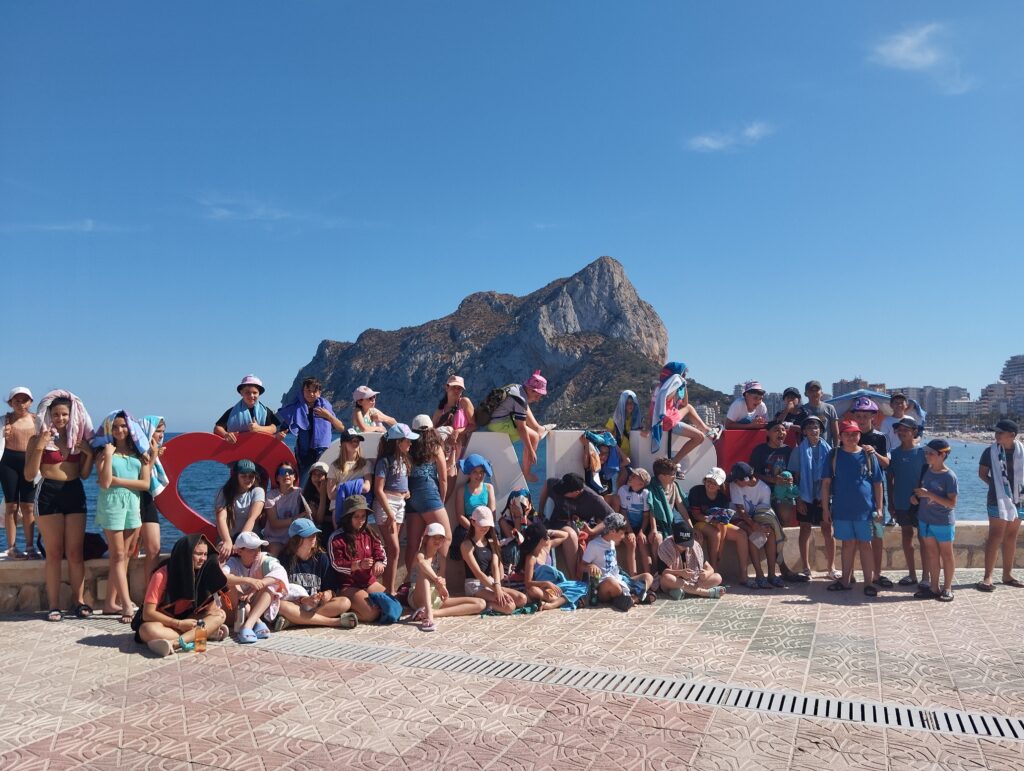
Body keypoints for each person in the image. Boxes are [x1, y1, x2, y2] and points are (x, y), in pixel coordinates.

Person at [24, 390, 95, 621]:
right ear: (48, 415)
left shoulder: (78, 439)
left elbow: (84, 475)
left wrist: (89, 455)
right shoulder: (38, 438)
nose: (60, 419)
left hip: (74, 491)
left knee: (75, 553)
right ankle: (53, 606)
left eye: (65, 414)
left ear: (72, 415)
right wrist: (40, 446)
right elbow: (28, 475)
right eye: (56, 414)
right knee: (54, 553)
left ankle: (79, 602)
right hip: (48, 493)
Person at [93, 411, 155, 623]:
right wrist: (109, 456)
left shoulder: (140, 454)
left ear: (130, 428)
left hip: (132, 505)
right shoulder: (104, 453)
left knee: (125, 555)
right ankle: (126, 605)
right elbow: (104, 482)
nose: (120, 430)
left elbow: (145, 484)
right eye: (116, 427)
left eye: (123, 426)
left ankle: (110, 603)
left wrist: (118, 481)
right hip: (112, 506)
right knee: (118, 554)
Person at [135, 534, 229, 657]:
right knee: (146, 630)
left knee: (220, 615)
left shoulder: (201, 573)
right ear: (185, 554)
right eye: (198, 554)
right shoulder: (161, 575)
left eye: (205, 554)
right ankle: (202, 634)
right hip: (164, 622)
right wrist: (178, 624)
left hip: (187, 619)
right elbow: (147, 614)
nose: (203, 559)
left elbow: (209, 609)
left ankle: (175, 643)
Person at [821, 420, 884, 596]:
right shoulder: (833, 455)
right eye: (847, 434)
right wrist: (825, 509)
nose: (851, 437)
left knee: (866, 545)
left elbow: (878, 483)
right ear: (840, 436)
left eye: (854, 434)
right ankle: (845, 580)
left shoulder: (869, 455)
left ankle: (868, 583)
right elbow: (826, 484)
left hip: (865, 510)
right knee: (847, 545)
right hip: (842, 509)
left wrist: (879, 508)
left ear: (859, 435)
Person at [276, 518, 358, 629]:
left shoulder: (321, 558)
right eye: (308, 535)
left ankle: (294, 621)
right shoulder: (284, 559)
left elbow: (331, 587)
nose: (313, 538)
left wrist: (328, 593)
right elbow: (281, 592)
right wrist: (303, 600)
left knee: (345, 602)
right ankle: (335, 622)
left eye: (314, 534)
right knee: (282, 606)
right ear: (296, 539)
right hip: (296, 605)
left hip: (317, 606)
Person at [410, 522, 486, 631]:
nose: (437, 540)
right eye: (434, 537)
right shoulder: (420, 554)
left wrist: (442, 586)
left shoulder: (441, 559)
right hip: (418, 597)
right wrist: (437, 581)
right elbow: (422, 563)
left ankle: (432, 613)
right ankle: (429, 616)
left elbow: (441, 579)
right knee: (424, 572)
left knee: (480, 603)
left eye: (440, 538)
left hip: (435, 596)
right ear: (426, 538)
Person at [849, 397, 893, 589]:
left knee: (877, 534)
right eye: (858, 416)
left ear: (873, 417)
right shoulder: (849, 436)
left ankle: (877, 573)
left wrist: (874, 453)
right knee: (853, 535)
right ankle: (850, 573)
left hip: (876, 495)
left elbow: (887, 464)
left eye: (865, 416)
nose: (861, 419)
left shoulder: (880, 437)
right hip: (855, 494)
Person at [646, 363, 720, 475]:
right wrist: (679, 384)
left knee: (688, 408)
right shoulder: (669, 387)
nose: (684, 377)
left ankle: (706, 429)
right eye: (683, 374)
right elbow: (677, 401)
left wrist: (682, 385)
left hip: (661, 421)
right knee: (699, 437)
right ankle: (674, 463)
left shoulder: (658, 387)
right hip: (668, 421)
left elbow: (684, 403)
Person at [537, 473, 614, 580]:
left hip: (582, 526)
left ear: (576, 492)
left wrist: (593, 531)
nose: (561, 493)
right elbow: (547, 484)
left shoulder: (593, 498)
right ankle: (573, 578)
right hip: (559, 522)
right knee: (571, 535)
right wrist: (540, 509)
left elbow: (612, 518)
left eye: (564, 492)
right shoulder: (558, 484)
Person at [977, 419, 1024, 592]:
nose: (996, 435)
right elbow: (982, 474)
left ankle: (1007, 575)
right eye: (995, 432)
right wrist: (999, 488)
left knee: (1011, 536)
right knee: (996, 536)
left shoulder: (1022, 452)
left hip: (1019, 500)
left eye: (1000, 432)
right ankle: (988, 577)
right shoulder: (990, 451)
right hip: (997, 499)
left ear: (1012, 435)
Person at [788, 415, 837, 580]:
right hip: (805, 495)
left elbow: (833, 475)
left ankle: (831, 567)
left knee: (827, 529)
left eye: (815, 427)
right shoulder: (797, 451)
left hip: (824, 495)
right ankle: (806, 567)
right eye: (809, 427)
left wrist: (827, 498)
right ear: (804, 431)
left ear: (821, 430)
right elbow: (794, 478)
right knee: (805, 529)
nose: (812, 430)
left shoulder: (830, 450)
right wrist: (799, 500)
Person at [480, 371, 549, 482]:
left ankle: (537, 427)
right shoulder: (520, 399)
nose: (538, 399)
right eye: (537, 395)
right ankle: (526, 473)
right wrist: (531, 450)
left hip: (492, 420)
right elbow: (521, 428)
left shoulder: (516, 388)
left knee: (525, 408)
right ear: (531, 390)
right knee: (534, 437)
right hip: (499, 424)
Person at [221, 531, 289, 643]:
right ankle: (258, 623)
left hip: (255, 605)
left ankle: (248, 625)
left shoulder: (264, 559)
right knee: (230, 583)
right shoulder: (233, 562)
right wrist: (248, 581)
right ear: (239, 551)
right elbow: (222, 577)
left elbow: (280, 572)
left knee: (271, 585)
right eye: (252, 549)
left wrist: (257, 585)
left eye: (259, 547)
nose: (257, 552)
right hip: (234, 610)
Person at [684, 465, 749, 581]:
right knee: (715, 533)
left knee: (741, 534)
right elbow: (696, 515)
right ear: (705, 480)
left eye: (715, 483)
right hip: (699, 523)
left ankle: (744, 575)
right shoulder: (696, 491)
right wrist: (711, 520)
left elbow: (723, 523)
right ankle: (714, 570)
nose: (711, 484)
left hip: (718, 525)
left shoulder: (723, 498)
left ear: (720, 486)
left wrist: (721, 549)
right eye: (709, 481)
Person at [406, 416, 451, 583]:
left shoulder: (409, 447)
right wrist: (442, 501)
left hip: (411, 493)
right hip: (428, 491)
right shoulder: (435, 446)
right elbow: (443, 478)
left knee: (413, 543)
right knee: (446, 537)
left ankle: (409, 582)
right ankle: (441, 579)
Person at [912, 439, 958, 602]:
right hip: (925, 520)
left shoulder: (949, 476)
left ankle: (947, 588)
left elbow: (952, 504)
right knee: (931, 554)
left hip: (943, 522)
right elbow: (923, 493)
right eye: (926, 452)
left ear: (942, 455)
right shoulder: (927, 470)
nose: (927, 456)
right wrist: (916, 497)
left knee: (946, 555)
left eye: (931, 453)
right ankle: (934, 587)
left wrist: (929, 495)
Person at [370, 423, 414, 594]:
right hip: (386, 504)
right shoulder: (384, 462)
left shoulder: (404, 460)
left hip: (400, 503)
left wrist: (406, 491)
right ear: (398, 442)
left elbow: (400, 483)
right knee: (394, 548)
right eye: (407, 440)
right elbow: (378, 490)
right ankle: (390, 590)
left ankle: (390, 589)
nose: (410, 443)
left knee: (393, 549)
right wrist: (389, 513)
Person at [460, 505, 528, 613]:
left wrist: (497, 586)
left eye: (487, 525)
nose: (485, 528)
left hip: (491, 581)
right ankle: (484, 605)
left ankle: (488, 601)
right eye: (482, 524)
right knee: (509, 607)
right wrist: (497, 590)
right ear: (473, 522)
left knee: (522, 599)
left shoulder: (492, 542)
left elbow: (495, 566)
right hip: (474, 584)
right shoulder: (466, 545)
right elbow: (478, 573)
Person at [581, 512, 654, 612]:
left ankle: (633, 599)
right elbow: (581, 566)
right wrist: (590, 566)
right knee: (613, 584)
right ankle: (638, 596)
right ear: (612, 531)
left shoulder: (612, 543)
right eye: (622, 533)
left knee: (648, 577)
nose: (623, 536)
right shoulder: (594, 545)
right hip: (604, 585)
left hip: (620, 579)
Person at [278, 377, 346, 481]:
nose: (311, 394)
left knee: (323, 482)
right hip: (304, 455)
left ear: (319, 392)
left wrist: (329, 416)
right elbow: (282, 426)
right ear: (303, 391)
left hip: (322, 452)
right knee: (303, 482)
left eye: (314, 391)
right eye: (308, 390)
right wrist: (280, 435)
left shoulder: (325, 408)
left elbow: (341, 428)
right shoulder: (295, 408)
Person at [728, 462, 782, 588]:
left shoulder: (764, 489)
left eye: (737, 480)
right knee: (754, 534)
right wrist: (755, 526)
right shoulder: (734, 485)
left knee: (771, 534)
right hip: (737, 518)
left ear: (746, 479)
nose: (734, 482)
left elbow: (764, 513)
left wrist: (763, 527)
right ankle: (759, 575)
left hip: (756, 518)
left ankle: (772, 575)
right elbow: (740, 511)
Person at [887, 417, 926, 587]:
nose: (902, 433)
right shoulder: (894, 454)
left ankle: (926, 576)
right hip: (901, 502)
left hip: (921, 504)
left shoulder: (923, 452)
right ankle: (912, 575)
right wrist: (890, 502)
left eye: (906, 430)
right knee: (906, 536)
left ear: (914, 432)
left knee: (924, 539)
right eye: (899, 430)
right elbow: (890, 479)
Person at [2, 387, 39, 559]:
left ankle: (30, 547)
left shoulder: (38, 421)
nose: (21, 404)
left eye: (24, 400)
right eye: (17, 400)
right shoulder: (4, 421)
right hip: (8, 463)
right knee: (11, 506)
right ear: (10, 403)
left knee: (28, 506)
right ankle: (11, 547)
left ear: (31, 402)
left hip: (30, 463)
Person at [519, 522, 587, 610]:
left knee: (582, 585)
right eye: (545, 536)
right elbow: (528, 583)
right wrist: (546, 583)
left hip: (557, 585)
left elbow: (565, 535)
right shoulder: (531, 558)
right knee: (533, 591)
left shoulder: (547, 546)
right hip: (543, 587)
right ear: (539, 540)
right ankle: (563, 600)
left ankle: (553, 604)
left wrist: (549, 531)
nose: (548, 537)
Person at [138, 415, 170, 585]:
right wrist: (153, 455)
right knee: (127, 552)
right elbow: (141, 478)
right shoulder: (137, 451)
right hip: (135, 499)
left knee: (154, 549)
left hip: (147, 500)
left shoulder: (152, 450)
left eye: (163, 432)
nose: (161, 435)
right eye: (158, 431)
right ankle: (115, 599)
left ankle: (149, 595)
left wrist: (155, 454)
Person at [658, 519, 725, 600]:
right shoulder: (666, 547)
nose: (684, 546)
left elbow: (709, 568)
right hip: (675, 581)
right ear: (674, 538)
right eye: (681, 544)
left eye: (686, 544)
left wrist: (707, 573)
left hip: (692, 582)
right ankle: (706, 593)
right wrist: (680, 573)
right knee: (667, 578)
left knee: (718, 577)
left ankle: (682, 591)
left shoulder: (694, 546)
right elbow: (662, 572)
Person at [213, 459, 266, 561]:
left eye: (251, 476)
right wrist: (227, 541)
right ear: (236, 476)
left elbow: (252, 518)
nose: (248, 479)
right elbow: (221, 518)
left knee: (250, 554)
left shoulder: (258, 491)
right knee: (222, 553)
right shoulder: (224, 492)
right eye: (243, 476)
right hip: (228, 536)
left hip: (249, 537)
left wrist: (239, 542)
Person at [214, 375, 285, 443]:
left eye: (255, 393)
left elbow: (274, 428)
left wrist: (258, 429)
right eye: (247, 392)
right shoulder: (232, 412)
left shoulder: (266, 411)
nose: (251, 396)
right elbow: (217, 428)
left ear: (259, 393)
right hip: (235, 452)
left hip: (259, 451)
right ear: (241, 393)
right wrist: (226, 435)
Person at [451, 453, 496, 563]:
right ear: (469, 474)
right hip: (468, 525)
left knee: (495, 545)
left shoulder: (489, 488)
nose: (479, 475)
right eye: (475, 472)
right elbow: (460, 516)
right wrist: (473, 528)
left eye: (481, 472)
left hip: (486, 524)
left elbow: (492, 512)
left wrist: (483, 527)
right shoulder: (461, 490)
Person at [750, 420, 795, 525]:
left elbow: (794, 472)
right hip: (763, 491)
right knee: (767, 524)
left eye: (783, 430)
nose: (781, 432)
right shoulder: (759, 450)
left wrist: (792, 478)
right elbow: (753, 473)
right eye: (776, 430)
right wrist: (772, 480)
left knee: (785, 518)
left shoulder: (789, 450)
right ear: (768, 433)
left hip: (783, 491)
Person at [263, 462, 312, 556]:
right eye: (282, 472)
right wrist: (296, 518)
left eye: (290, 472)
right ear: (277, 478)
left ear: (294, 477)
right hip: (274, 538)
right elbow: (274, 523)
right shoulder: (271, 495)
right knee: (276, 550)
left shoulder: (300, 493)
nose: (286, 474)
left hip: (292, 538)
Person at [613, 467, 654, 574]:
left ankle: (649, 576)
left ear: (641, 484)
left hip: (640, 526)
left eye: (634, 476)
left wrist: (641, 532)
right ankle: (633, 577)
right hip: (627, 525)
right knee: (631, 543)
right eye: (631, 474)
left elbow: (646, 516)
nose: (630, 476)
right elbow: (624, 513)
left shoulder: (646, 493)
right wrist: (630, 531)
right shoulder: (623, 490)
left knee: (642, 543)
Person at [327, 427, 372, 522]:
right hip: (339, 506)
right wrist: (357, 485)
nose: (355, 443)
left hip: (358, 507)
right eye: (351, 441)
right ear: (343, 444)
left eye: (357, 441)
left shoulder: (365, 464)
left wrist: (343, 488)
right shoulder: (334, 466)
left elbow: (367, 487)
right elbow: (331, 494)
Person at [302, 461, 332, 544]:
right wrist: (322, 495)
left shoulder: (333, 492)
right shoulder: (310, 495)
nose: (317, 478)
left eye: (320, 475)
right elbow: (319, 520)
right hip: (319, 529)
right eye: (314, 475)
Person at [607, 390, 640, 462]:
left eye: (632, 403)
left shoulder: (635, 421)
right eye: (627, 403)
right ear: (622, 404)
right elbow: (607, 436)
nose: (630, 405)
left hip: (630, 457)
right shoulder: (613, 420)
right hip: (618, 457)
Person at [802, 381, 840, 445]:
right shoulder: (802, 409)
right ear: (806, 394)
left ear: (822, 393)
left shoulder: (829, 408)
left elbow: (836, 432)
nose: (814, 393)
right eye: (811, 390)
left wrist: (836, 450)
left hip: (827, 450)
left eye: (817, 390)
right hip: (807, 450)